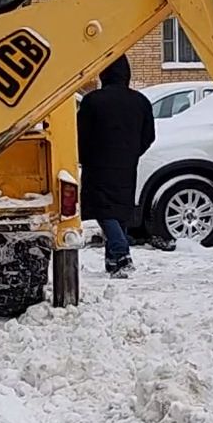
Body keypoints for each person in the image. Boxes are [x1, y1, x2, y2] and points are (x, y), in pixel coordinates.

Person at [76, 57, 157, 275]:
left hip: (98, 163)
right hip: (127, 164)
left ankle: (121, 253)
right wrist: (132, 152)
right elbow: (149, 135)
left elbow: (80, 135)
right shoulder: (140, 101)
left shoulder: (92, 101)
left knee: (104, 210)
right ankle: (112, 261)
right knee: (119, 211)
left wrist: (84, 157)